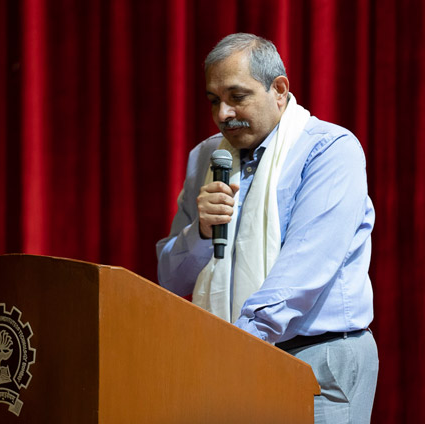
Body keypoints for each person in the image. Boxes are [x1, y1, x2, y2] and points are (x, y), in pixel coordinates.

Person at [156, 33, 378, 423]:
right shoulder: (206, 157)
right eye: (213, 100)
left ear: (279, 89)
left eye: (236, 97)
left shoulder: (329, 150)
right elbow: (170, 278)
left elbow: (305, 268)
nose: (223, 113)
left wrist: (236, 346)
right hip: (226, 360)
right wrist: (202, 233)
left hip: (316, 360)